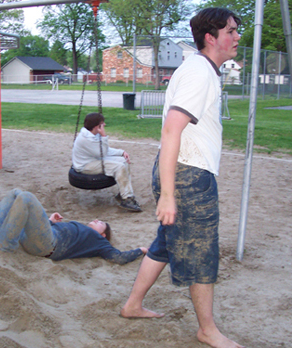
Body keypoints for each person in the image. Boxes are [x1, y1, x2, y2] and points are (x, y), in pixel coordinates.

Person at [120, 8, 244, 348]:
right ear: (211, 37)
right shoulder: (199, 73)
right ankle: (207, 330)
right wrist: (169, 194)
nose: (236, 37)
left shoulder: (199, 69)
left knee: (165, 243)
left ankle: (132, 305)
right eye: (231, 31)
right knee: (202, 251)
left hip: (182, 170)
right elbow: (172, 128)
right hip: (188, 175)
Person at [0, 188, 147, 264]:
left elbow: (118, 257)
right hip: (40, 236)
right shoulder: (83, 231)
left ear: (103, 235)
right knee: (16, 192)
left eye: (101, 223)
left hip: (49, 245)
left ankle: (2, 246)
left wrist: (141, 250)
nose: (96, 220)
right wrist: (50, 222)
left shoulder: (99, 242)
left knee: (26, 197)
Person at [72, 112, 142, 212]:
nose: (104, 124)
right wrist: (104, 136)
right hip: (85, 166)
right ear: (97, 126)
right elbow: (102, 153)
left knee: (123, 161)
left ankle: (123, 194)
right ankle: (128, 199)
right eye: (102, 123)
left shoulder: (92, 134)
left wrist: (121, 152)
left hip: (94, 160)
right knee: (119, 167)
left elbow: (105, 150)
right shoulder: (85, 139)